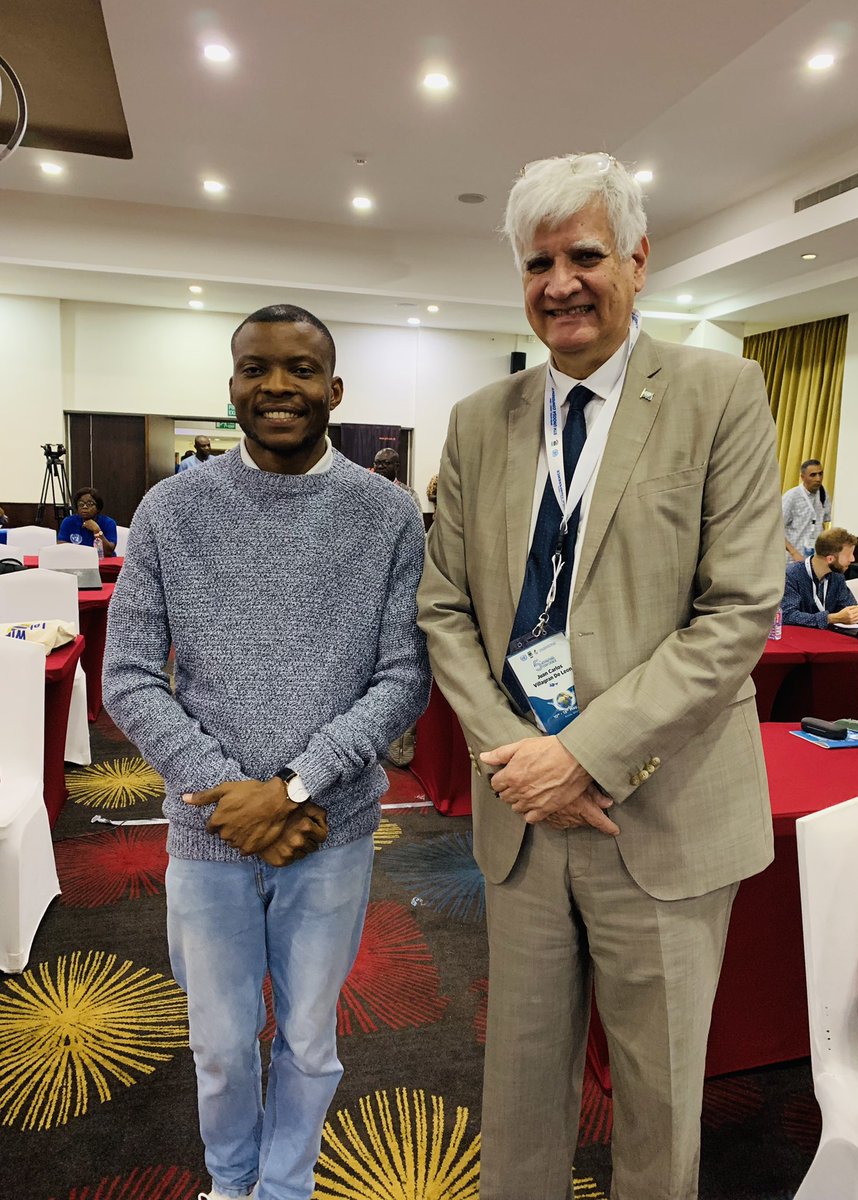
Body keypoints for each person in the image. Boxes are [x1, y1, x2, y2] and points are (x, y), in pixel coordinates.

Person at [417, 152, 785, 1200]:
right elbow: (445, 606)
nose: (561, 283)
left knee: (660, 1102)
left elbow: (739, 611)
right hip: (525, 817)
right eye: (539, 262)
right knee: (520, 1088)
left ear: (637, 258)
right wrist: (520, 758)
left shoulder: (722, 393)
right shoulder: (480, 422)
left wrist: (582, 753)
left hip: (660, 818)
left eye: (585, 255)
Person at [103, 303, 430, 1200]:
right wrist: (226, 792)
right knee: (217, 1045)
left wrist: (291, 786)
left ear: (334, 390)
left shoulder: (389, 515)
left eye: (298, 370)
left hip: (334, 826)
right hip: (207, 833)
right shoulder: (171, 508)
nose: (276, 386)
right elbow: (127, 676)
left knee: (310, 1042)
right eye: (256, 369)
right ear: (233, 385)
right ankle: (229, 1181)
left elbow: (404, 679)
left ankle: (285, 1191)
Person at [781, 526, 858, 628]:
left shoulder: (837, 576)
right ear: (830, 559)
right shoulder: (792, 575)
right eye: (848, 554)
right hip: (796, 638)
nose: (853, 559)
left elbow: (850, 608)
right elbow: (787, 615)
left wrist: (856, 615)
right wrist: (830, 618)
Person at [783, 458, 831, 562]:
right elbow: (776, 530)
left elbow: (822, 524)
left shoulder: (823, 494)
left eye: (820, 474)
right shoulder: (792, 497)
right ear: (803, 477)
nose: (818, 479)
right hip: (793, 559)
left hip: (815, 558)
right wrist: (794, 553)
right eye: (813, 475)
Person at [58, 487, 117, 555]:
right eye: (81, 504)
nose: (85, 507)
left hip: (102, 562)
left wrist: (97, 530)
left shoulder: (108, 523)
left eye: (90, 504)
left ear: (98, 508)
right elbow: (61, 548)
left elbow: (108, 552)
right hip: (78, 561)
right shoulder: (68, 522)